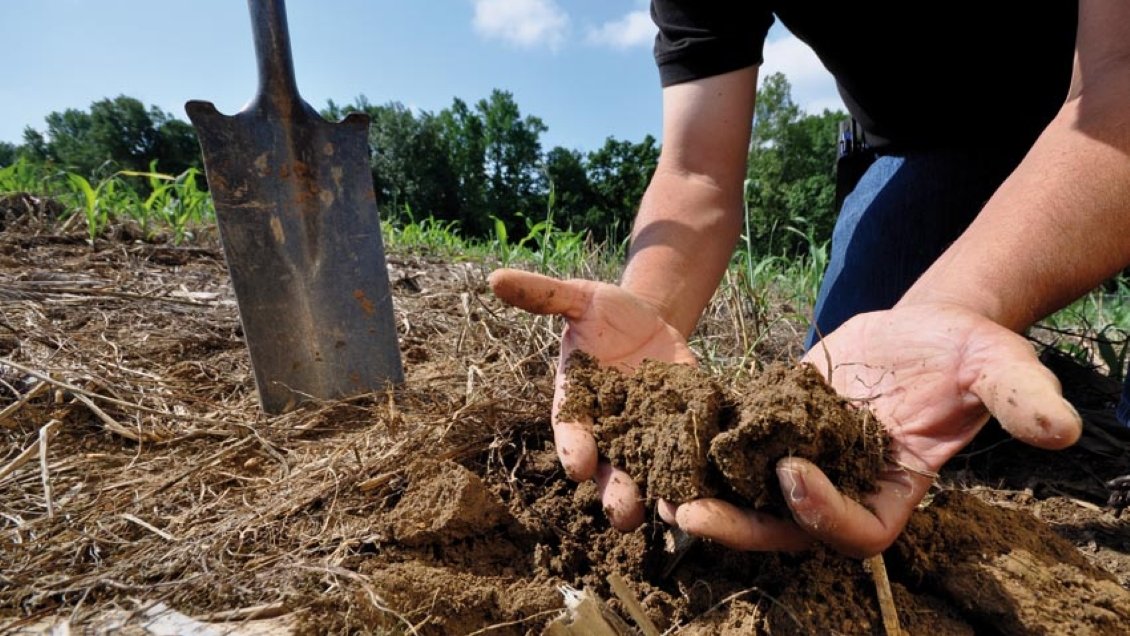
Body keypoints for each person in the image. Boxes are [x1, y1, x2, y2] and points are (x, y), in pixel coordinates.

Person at [488, 1, 1130, 558]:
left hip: (1104, 98)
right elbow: (697, 171)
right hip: (923, 144)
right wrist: (646, 317)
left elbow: (1118, 80)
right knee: (851, 404)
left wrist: (966, 299)